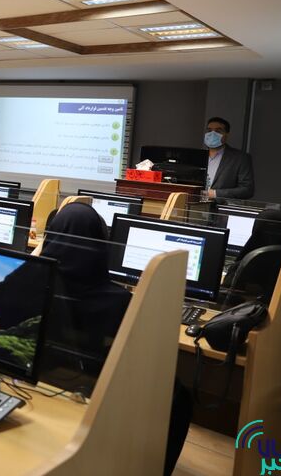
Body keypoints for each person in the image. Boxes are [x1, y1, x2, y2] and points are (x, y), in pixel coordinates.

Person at [39, 202, 191, 476]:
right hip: (93, 392)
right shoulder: (118, 300)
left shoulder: (37, 282)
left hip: (43, 376)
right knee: (179, 395)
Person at [204, 117, 254, 200]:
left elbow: (247, 190)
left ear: (227, 134)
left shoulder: (240, 158)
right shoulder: (197, 156)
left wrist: (215, 193)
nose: (212, 134)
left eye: (218, 131)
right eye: (209, 131)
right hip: (193, 204)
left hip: (220, 206)